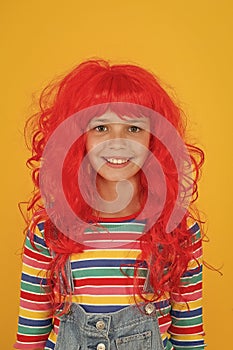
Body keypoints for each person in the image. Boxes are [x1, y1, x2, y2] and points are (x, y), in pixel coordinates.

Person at [15, 59, 206, 350]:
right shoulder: (48, 230)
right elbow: (30, 335)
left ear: (155, 140)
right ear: (79, 138)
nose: (117, 143)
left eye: (133, 129)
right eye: (101, 127)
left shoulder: (177, 229)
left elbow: (189, 336)